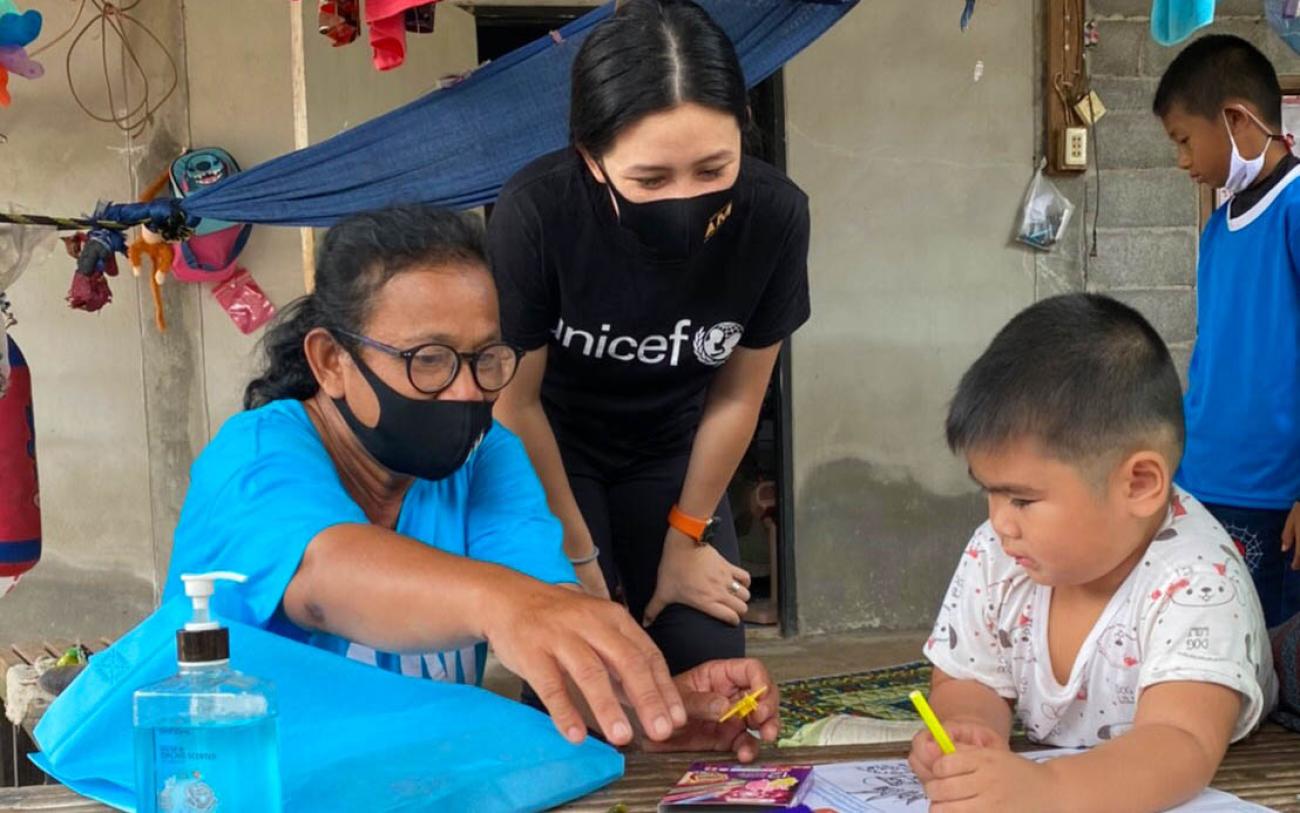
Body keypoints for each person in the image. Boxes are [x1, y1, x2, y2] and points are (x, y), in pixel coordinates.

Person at [163, 205, 779, 761]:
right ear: (331, 363)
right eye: (428, 359)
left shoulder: (486, 457)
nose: (466, 391)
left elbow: (548, 627)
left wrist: (654, 711)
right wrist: (502, 602)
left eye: (485, 359)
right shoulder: (255, 456)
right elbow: (323, 575)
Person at [489, 0, 811, 674]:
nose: (684, 199)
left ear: (743, 132)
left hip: (674, 449)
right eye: (651, 178)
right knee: (584, 669)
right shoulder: (536, 212)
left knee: (708, 670)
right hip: (555, 445)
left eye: (712, 170)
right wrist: (580, 561)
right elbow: (515, 404)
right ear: (592, 158)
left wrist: (687, 536)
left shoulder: (775, 216)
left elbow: (737, 394)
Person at [908, 294, 1276, 811]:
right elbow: (967, 676)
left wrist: (1047, 791)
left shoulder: (1198, 579)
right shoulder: (997, 555)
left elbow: (1180, 741)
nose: (998, 521)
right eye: (987, 491)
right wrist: (968, 727)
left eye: (1022, 498)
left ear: (1140, 484)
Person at [1154, 34, 1300, 627]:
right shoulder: (1217, 229)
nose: (1183, 160)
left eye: (1185, 140)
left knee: (1266, 666)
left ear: (1236, 119)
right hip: (1205, 483)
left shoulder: (1295, 210)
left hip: (1276, 498)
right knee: (1206, 646)